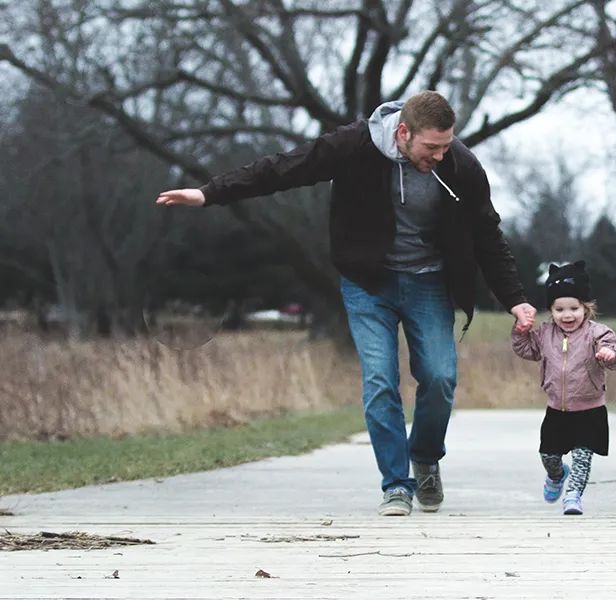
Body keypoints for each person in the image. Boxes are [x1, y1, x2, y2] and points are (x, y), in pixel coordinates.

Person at [156, 91, 537, 516]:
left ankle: (426, 457)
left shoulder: (460, 165)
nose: (439, 155)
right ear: (403, 131)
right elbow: (284, 169)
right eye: (431, 147)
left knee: (440, 376)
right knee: (379, 381)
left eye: (446, 145)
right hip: (367, 282)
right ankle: (396, 484)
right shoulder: (354, 145)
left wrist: (516, 301)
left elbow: (488, 234)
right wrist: (209, 193)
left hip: (428, 282)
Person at [511, 260, 616, 515]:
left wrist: (610, 354)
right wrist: (520, 332)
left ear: (586, 308)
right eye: (559, 309)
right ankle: (557, 474)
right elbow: (525, 350)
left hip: (590, 410)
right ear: (551, 310)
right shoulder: (545, 334)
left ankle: (573, 497)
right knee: (549, 456)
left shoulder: (598, 334)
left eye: (574, 308)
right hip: (557, 410)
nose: (568, 315)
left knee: (583, 457)